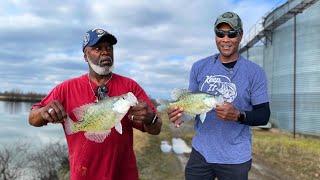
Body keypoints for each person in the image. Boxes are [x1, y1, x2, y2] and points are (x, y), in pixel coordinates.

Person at [28, 28, 162, 180]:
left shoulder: (130, 87)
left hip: (124, 174)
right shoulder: (66, 88)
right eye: (98, 48)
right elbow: (32, 118)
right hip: (83, 174)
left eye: (109, 48)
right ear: (85, 55)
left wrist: (150, 118)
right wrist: (45, 112)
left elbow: (156, 129)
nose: (105, 52)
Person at [168, 12, 270, 180]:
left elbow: (264, 115)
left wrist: (238, 115)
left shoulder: (255, 72)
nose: (225, 39)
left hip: (235, 159)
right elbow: (192, 105)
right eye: (220, 33)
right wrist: (180, 115)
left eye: (231, 33)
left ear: (240, 35)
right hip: (201, 153)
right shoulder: (199, 67)